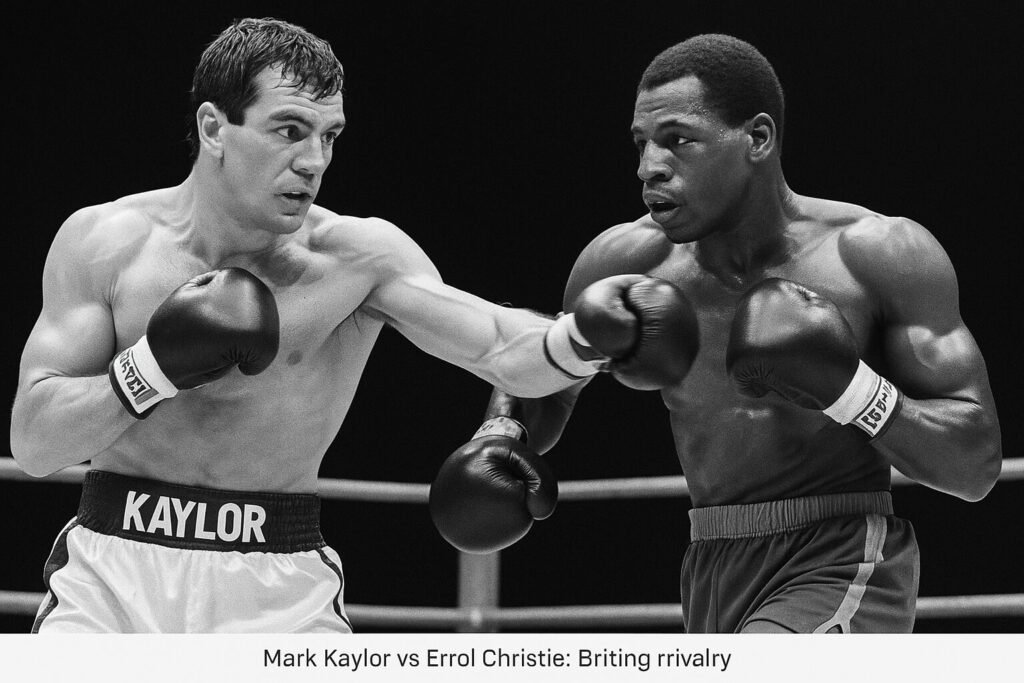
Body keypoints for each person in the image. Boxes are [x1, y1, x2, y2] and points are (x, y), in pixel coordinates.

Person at [9, 17, 679, 634]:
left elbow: (503, 345)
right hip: (112, 578)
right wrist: (153, 367)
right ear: (214, 128)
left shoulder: (355, 260)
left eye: (329, 135)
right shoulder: (104, 243)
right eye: (289, 129)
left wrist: (587, 338)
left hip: (279, 583)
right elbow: (35, 443)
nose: (314, 160)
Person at [430, 34, 1003, 633]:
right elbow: (549, 381)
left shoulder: (877, 255)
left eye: (677, 140)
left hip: (845, 555)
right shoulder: (623, 265)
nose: (649, 166)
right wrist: (502, 432)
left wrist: (848, 387)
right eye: (642, 143)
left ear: (757, 138)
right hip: (710, 561)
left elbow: (975, 465)